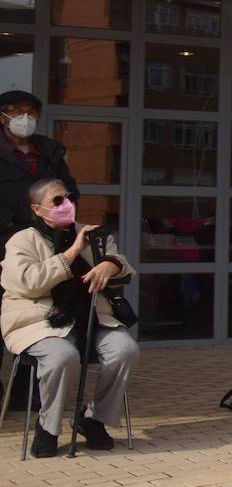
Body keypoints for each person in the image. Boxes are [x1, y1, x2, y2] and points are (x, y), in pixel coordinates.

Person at [1, 179, 138, 458]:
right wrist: (73, 251)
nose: (68, 205)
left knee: (125, 350)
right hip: (38, 321)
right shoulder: (22, 240)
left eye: (71, 197)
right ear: (37, 209)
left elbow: (123, 265)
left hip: (91, 317)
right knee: (62, 356)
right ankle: (48, 427)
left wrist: (110, 265)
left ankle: (92, 419)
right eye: (58, 200)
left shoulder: (92, 234)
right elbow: (29, 283)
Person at [0, 91, 78, 253]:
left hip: (49, 238)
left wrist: (61, 217)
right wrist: (9, 224)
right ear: (3, 117)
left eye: (31, 112)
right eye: (18, 113)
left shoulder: (50, 151)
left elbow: (69, 190)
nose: (25, 118)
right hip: (6, 240)